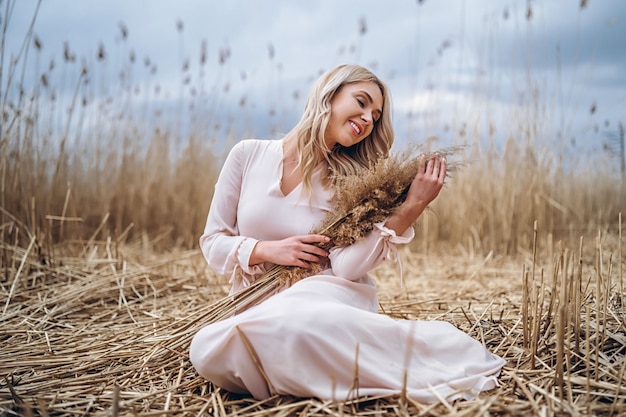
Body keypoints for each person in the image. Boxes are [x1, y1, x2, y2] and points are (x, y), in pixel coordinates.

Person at [189, 64, 506, 403]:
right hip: (255, 306)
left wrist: (410, 208)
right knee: (206, 350)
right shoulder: (247, 155)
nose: (369, 118)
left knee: (294, 320)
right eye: (361, 101)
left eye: (376, 114)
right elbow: (213, 242)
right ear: (330, 93)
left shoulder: (351, 182)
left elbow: (346, 268)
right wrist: (266, 250)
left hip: (322, 300)